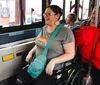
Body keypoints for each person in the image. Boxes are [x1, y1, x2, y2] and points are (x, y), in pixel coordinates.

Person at [16, 5, 75, 85]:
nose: (45, 16)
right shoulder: (44, 28)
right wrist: (30, 52)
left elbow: (70, 54)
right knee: (21, 79)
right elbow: (39, 43)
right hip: (37, 64)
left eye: (48, 14)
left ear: (57, 16)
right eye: (44, 14)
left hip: (51, 69)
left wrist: (53, 61)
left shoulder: (66, 32)